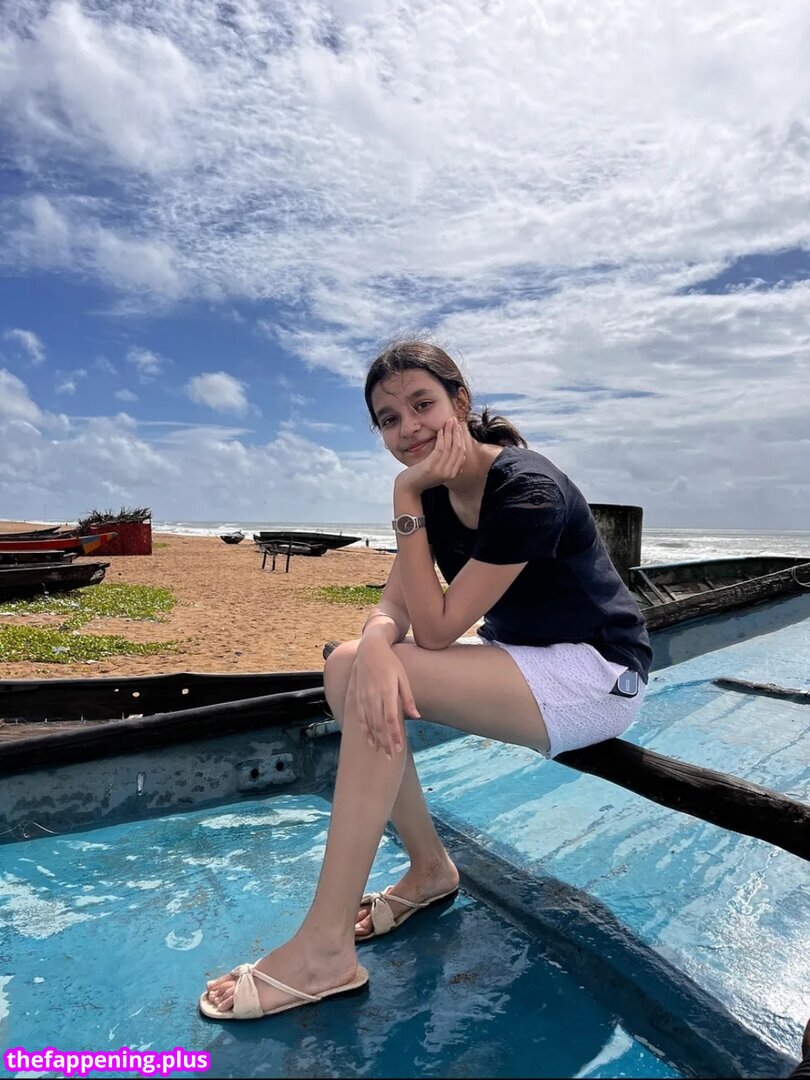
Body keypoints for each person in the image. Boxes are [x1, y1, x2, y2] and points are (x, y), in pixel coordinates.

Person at [199, 339, 652, 1020]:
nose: (407, 428)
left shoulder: (526, 489)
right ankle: (429, 868)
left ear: (460, 402)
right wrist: (377, 642)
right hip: (523, 659)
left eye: (422, 405)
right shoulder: (435, 494)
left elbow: (435, 631)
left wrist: (405, 494)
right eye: (389, 419)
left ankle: (324, 948)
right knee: (347, 664)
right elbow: (394, 606)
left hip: (598, 675)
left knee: (379, 664)